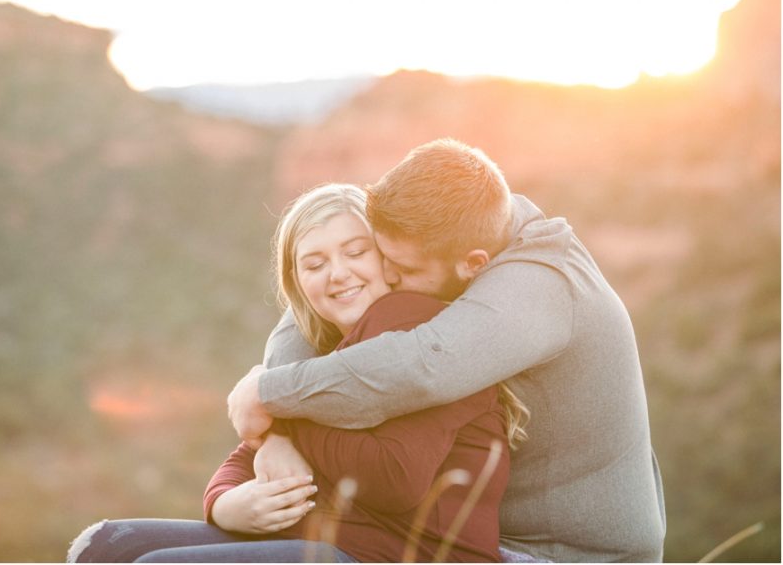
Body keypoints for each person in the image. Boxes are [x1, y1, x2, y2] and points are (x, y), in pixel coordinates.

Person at [228, 138, 667, 562]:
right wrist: (276, 433)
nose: (389, 278)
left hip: (562, 555)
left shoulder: (539, 284)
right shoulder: (459, 224)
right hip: (473, 537)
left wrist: (270, 394)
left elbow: (420, 367)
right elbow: (300, 319)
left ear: (472, 264)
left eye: (402, 269)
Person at [68, 183, 526, 563]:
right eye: (315, 263)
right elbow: (241, 460)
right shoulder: (323, 351)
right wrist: (228, 506)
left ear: (387, 259)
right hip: (329, 543)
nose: (338, 274)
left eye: (355, 251)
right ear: (298, 283)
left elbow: (396, 478)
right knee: (105, 546)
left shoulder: (413, 322)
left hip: (404, 556)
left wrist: (281, 419)